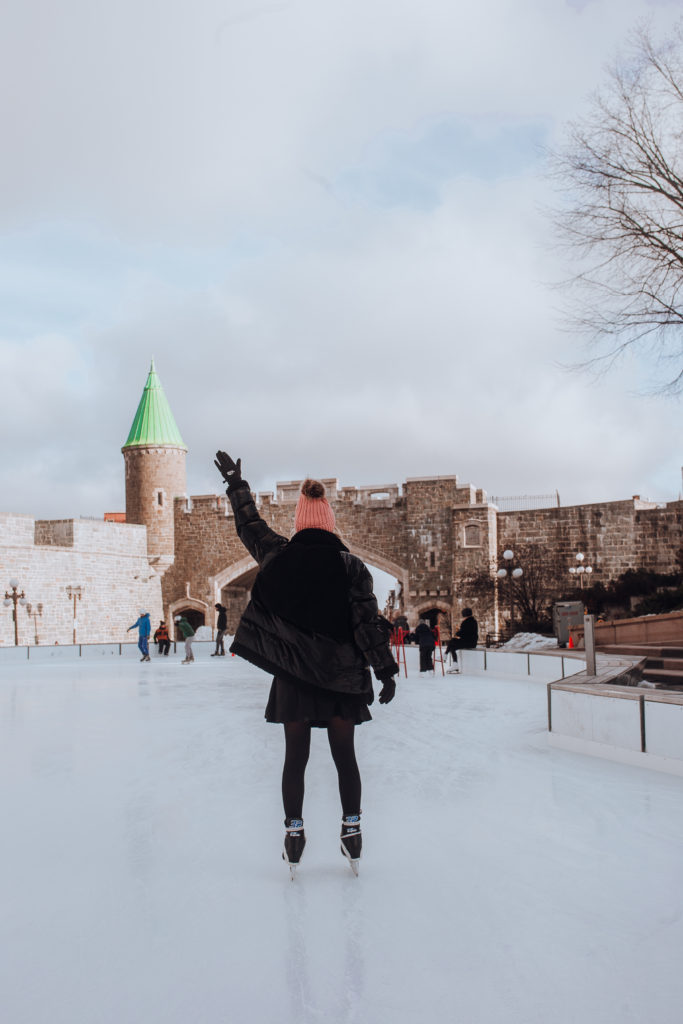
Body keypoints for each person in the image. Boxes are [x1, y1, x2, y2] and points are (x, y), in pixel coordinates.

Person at [214, 450, 398, 878]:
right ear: (329, 520)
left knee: (294, 758)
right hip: (340, 679)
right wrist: (386, 671)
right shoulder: (352, 566)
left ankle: (294, 834)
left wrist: (237, 486)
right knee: (344, 758)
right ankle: (351, 831)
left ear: (299, 520)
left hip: (294, 677)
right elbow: (366, 624)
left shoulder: (278, 555)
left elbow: (249, 527)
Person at [445, 608, 479, 673]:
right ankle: (454, 664)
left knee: (452, 641)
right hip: (472, 642)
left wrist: (457, 633)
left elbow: (463, 633)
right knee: (452, 646)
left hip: (468, 642)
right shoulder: (474, 621)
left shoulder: (466, 622)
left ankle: (446, 655)